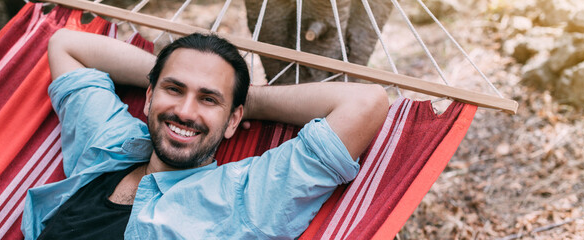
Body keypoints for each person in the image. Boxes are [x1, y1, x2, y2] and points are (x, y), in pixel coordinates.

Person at [21, 28, 388, 239]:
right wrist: (183, 75)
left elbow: (365, 103)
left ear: (233, 121)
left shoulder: (244, 200)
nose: (185, 111)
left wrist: (244, 100)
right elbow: (67, 45)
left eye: (208, 100)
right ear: (148, 97)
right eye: (174, 90)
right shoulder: (110, 145)